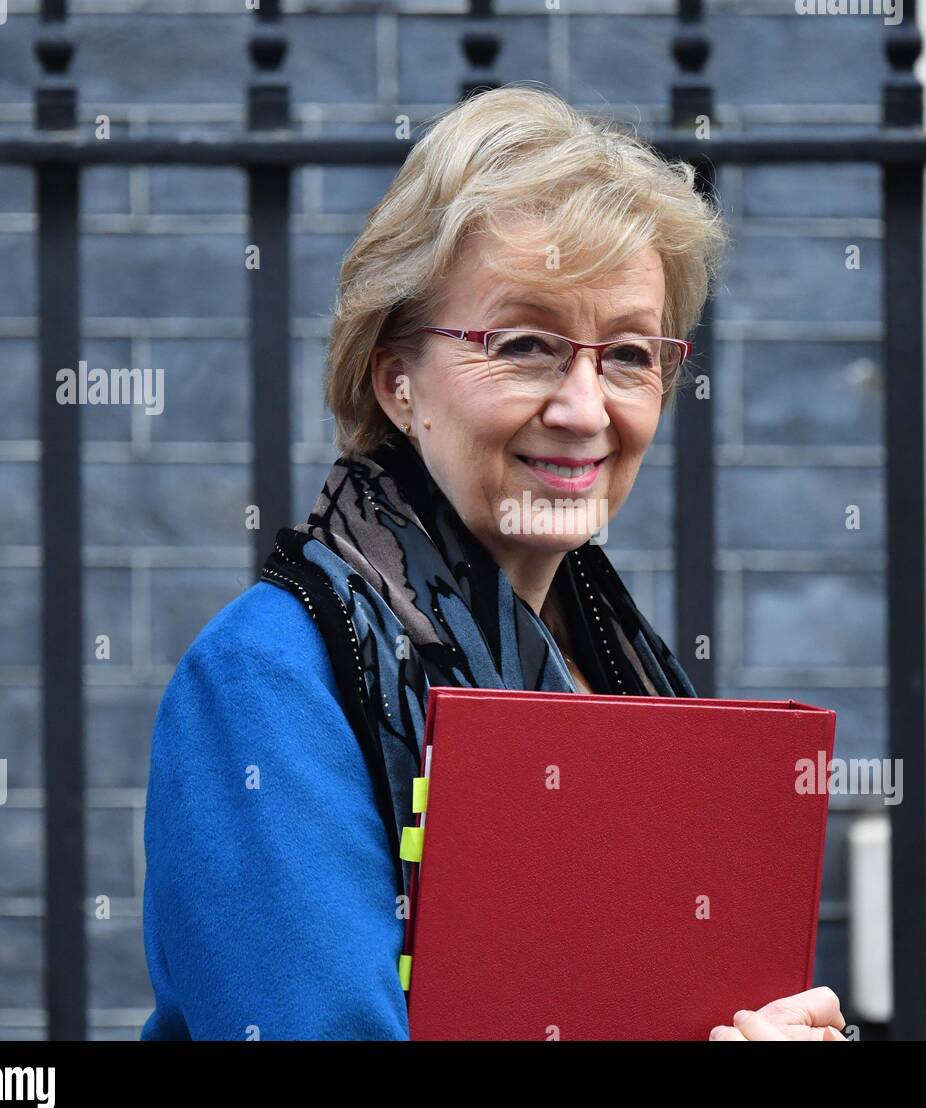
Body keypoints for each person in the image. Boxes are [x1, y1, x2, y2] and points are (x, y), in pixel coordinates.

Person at [139, 81, 846, 1042]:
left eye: (630, 355)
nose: (587, 409)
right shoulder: (266, 680)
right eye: (523, 345)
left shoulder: (621, 669)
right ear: (395, 377)